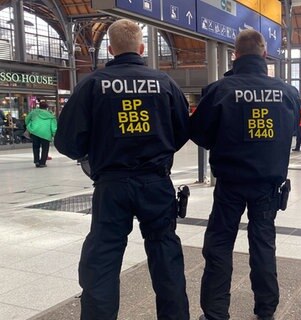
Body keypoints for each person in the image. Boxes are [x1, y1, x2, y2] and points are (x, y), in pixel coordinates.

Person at [54, 19, 191, 320]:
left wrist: (94, 150)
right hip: (156, 183)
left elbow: (66, 141)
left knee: (102, 259)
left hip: (111, 185)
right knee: (166, 255)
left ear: (112, 48)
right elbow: (182, 131)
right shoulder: (165, 83)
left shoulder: (91, 84)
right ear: (141, 48)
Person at [189, 29, 301, 320]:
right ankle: (266, 310)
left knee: (219, 246)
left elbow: (199, 133)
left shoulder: (219, 90)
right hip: (268, 186)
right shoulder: (287, 92)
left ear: (235, 55)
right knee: (263, 244)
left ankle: (215, 313)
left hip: (230, 184)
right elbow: (290, 131)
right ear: (264, 54)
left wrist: (224, 141)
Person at [25, 101, 57, 167]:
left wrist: (29, 125)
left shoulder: (34, 112)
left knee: (36, 147)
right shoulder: (51, 116)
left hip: (35, 132)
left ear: (39, 106)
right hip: (46, 134)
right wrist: (54, 134)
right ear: (47, 108)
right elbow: (53, 127)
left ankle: (36, 161)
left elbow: (27, 119)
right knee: (45, 148)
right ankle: (42, 163)